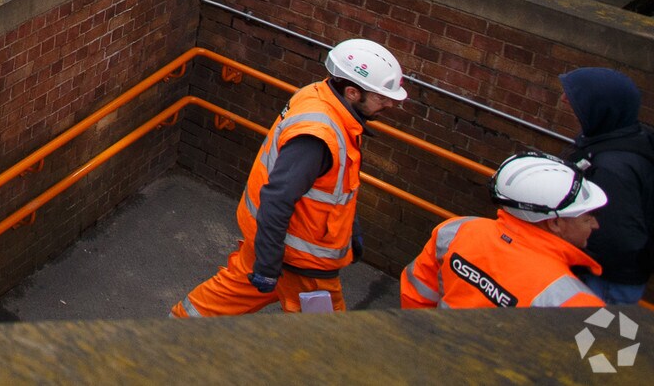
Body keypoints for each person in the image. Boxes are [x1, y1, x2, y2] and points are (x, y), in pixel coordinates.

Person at [173, 39, 407, 317]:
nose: (389, 104)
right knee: (330, 341)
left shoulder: (318, 96)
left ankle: (169, 332)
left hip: (270, 247)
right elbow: (278, 198)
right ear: (353, 92)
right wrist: (269, 265)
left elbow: (334, 188)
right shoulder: (319, 136)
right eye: (382, 98)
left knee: (220, 300)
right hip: (302, 265)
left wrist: (350, 231)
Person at [401, 153, 606, 309]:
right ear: (555, 223)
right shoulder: (574, 300)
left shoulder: (457, 230)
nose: (595, 225)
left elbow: (416, 293)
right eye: (588, 217)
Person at [561, 67, 654, 304]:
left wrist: (566, 253)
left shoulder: (612, 169)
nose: (564, 100)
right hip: (615, 277)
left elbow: (616, 239)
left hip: (604, 281)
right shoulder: (623, 139)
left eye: (574, 99)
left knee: (588, 337)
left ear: (599, 108)